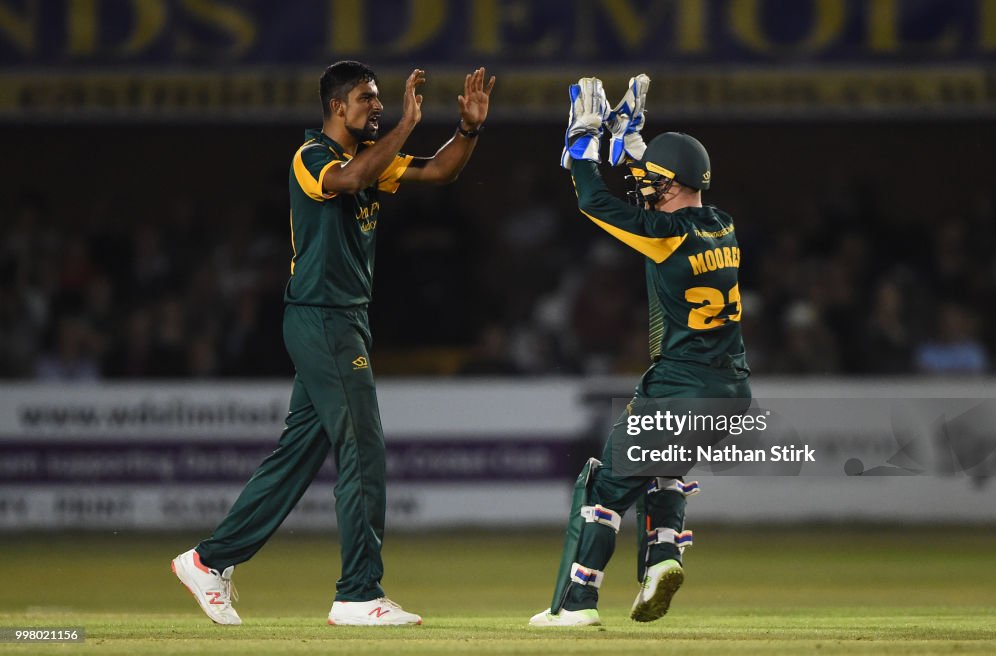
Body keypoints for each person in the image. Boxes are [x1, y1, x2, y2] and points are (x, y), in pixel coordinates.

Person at [172, 61, 495, 627]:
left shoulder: (369, 162)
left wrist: (467, 130)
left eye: (378, 100)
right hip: (324, 320)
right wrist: (407, 124)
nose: (378, 107)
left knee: (299, 455)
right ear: (336, 108)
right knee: (363, 448)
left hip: (341, 320)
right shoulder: (312, 158)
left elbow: (440, 171)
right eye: (367, 99)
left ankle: (207, 560)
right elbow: (348, 181)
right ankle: (358, 593)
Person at [529, 77, 750, 627]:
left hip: (680, 385)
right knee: (662, 474)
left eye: (651, 180)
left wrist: (583, 142)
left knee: (601, 485)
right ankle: (664, 559)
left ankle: (575, 607)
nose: (643, 187)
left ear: (670, 185)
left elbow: (593, 201)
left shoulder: (665, 233)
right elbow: (666, 184)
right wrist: (630, 141)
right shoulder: (724, 226)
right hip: (731, 391)